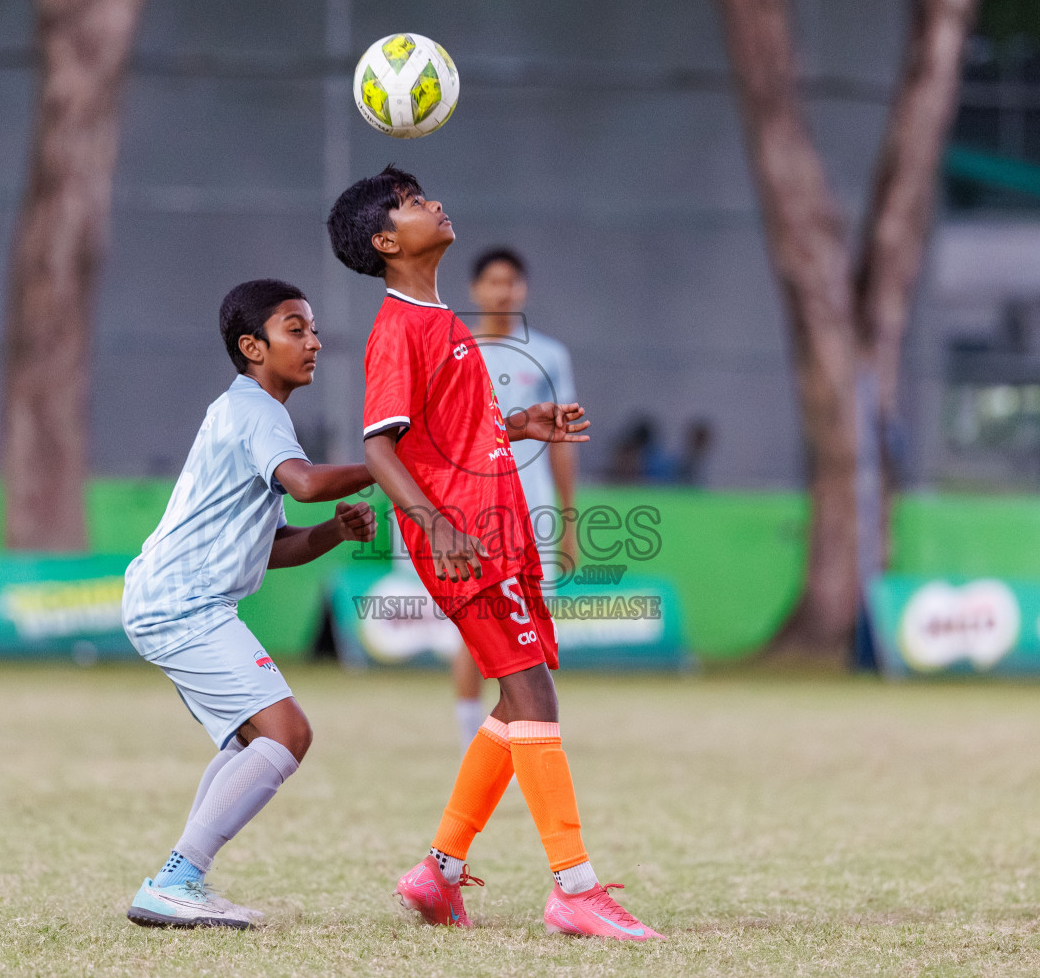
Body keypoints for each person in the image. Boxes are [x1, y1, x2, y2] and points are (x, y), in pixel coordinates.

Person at [327, 164, 663, 940]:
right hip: (465, 543)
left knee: (519, 702)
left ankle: (438, 873)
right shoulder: (399, 328)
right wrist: (435, 525)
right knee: (536, 698)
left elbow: (448, 433)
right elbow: (380, 447)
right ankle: (574, 891)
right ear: (386, 240)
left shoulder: (441, 319)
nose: (434, 203)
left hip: (497, 532)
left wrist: (523, 423)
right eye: (413, 204)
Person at [120, 279, 377, 929]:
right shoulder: (255, 413)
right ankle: (177, 880)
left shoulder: (250, 411)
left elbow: (275, 545)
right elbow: (310, 482)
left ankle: (179, 880)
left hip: (174, 601)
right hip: (183, 605)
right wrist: (394, 459)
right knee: (289, 734)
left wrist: (334, 533)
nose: (314, 341)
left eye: (313, 328)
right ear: (251, 346)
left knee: (254, 737)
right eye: (296, 328)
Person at [452, 247, 579, 752]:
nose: (503, 291)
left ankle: (511, 735)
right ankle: (470, 737)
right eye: (493, 281)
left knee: (528, 629)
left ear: (523, 289)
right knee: (476, 628)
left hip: (534, 512)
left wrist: (568, 520)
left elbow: (562, 442)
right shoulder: (458, 351)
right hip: (474, 510)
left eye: (512, 282)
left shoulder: (548, 355)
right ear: (475, 289)